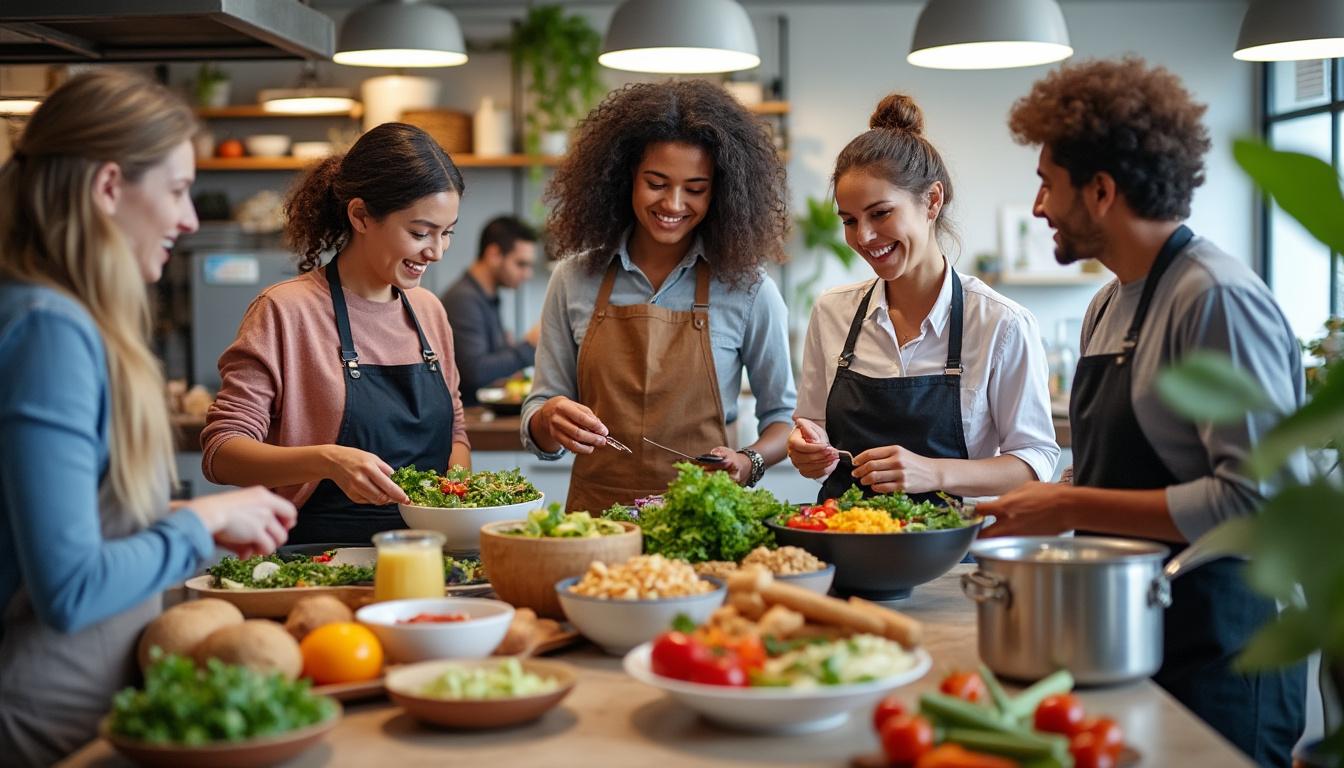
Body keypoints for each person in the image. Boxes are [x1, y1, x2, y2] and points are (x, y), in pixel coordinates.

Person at [977, 56, 1306, 765]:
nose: (1038, 208)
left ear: (1100, 191)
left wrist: (1065, 502)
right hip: (1135, 636)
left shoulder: (1213, 298)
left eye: (1046, 184)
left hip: (1224, 653)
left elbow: (1257, 501)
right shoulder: (1107, 302)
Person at [0, 69, 296, 766]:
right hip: (43, 724)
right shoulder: (50, 328)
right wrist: (200, 521)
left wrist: (184, 520)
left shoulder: (53, 316)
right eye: (176, 190)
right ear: (108, 188)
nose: (190, 219)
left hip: (85, 712)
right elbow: (70, 590)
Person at [522, 80, 797, 512]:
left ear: (720, 191)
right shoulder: (575, 278)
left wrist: (749, 461)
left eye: (695, 188)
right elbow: (540, 408)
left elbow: (784, 417)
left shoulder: (749, 288)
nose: (673, 202)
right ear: (624, 176)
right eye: (656, 182)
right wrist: (547, 420)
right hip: (597, 524)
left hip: (702, 519)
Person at [202, 122, 472, 546]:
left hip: (430, 557)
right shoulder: (286, 311)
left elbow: (455, 433)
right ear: (361, 215)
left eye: (447, 233)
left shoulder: (429, 312)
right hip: (318, 562)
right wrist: (327, 461)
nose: (436, 252)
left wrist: (452, 500)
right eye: (420, 233)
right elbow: (221, 452)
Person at [788, 94, 1059, 504]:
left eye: (880, 214)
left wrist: (931, 471)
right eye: (849, 220)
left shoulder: (1000, 323)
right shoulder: (832, 311)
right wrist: (807, 447)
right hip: (843, 539)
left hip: (949, 549)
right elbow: (812, 423)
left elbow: (1035, 460)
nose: (863, 237)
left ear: (932, 201)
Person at [440, 215, 540, 406]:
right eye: (521, 264)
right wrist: (529, 346)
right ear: (494, 254)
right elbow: (475, 373)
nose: (528, 274)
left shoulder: (485, 297)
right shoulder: (464, 299)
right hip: (468, 419)